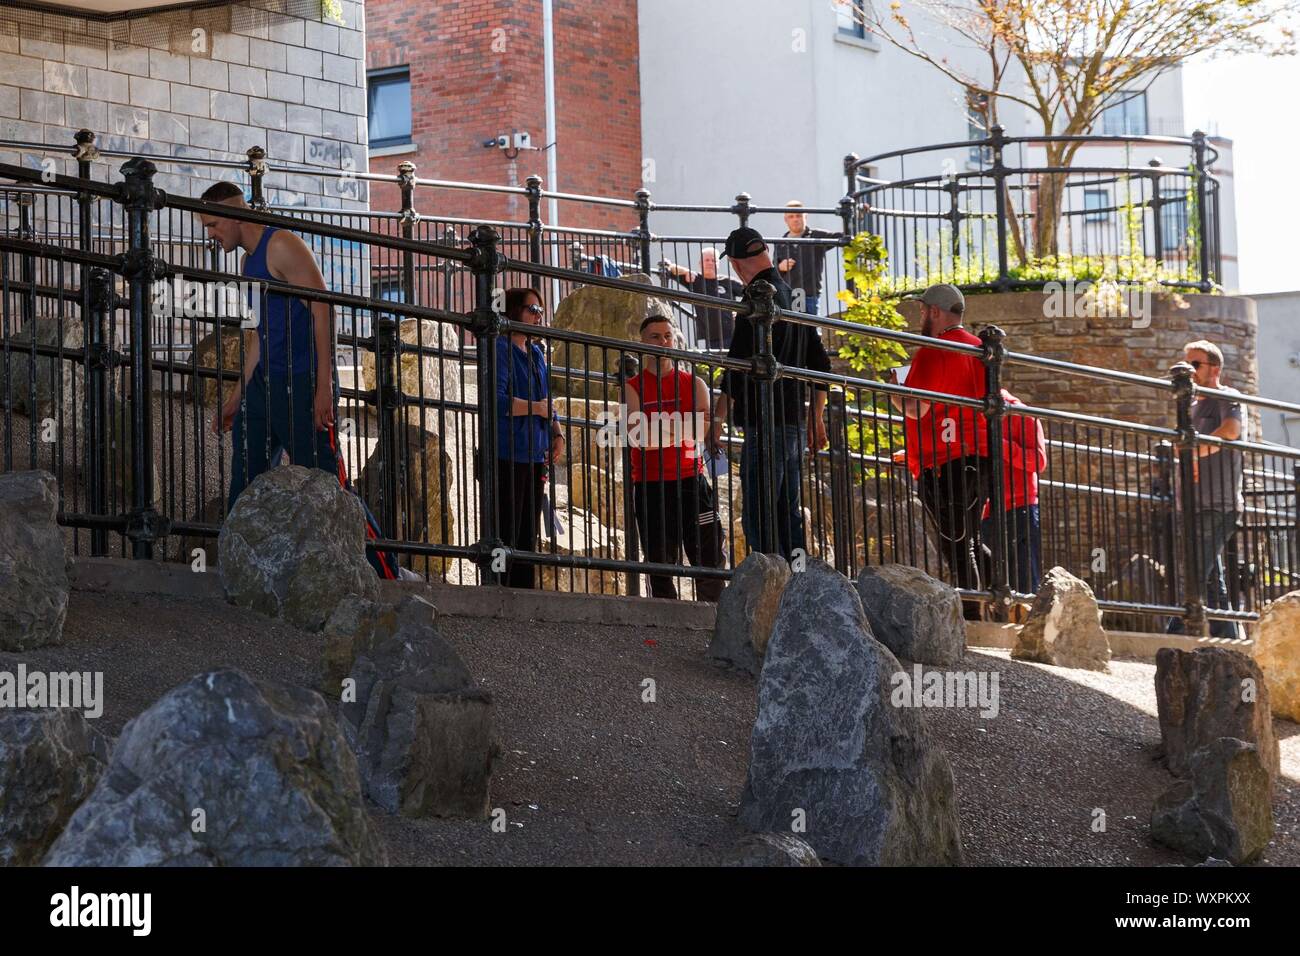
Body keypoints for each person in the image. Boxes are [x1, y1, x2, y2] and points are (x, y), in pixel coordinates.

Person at [202, 180, 398, 580]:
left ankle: (386, 573)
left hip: (302, 382)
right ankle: (244, 576)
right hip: (265, 387)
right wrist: (238, 395)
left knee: (329, 486)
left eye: (213, 225)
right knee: (246, 481)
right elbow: (262, 332)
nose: (210, 234)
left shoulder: (281, 245)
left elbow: (322, 305)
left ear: (233, 215)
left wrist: (323, 384)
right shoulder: (246, 262)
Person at [707, 227, 832, 560]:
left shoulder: (755, 300)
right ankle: (799, 581)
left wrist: (716, 421)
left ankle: (772, 586)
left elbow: (736, 368)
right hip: (792, 425)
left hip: (764, 424)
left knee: (759, 514)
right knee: (788, 513)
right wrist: (815, 417)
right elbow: (821, 364)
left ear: (734, 262)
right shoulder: (792, 295)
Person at [890, 283, 991, 606]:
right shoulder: (980, 349)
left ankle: (971, 615)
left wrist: (894, 389)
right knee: (970, 539)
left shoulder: (933, 349)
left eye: (922, 310)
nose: (920, 316)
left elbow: (915, 408)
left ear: (935, 311)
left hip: (943, 461)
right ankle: (996, 599)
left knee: (956, 543)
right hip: (980, 455)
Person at [623, 315, 725, 601]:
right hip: (650, 483)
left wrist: (657, 427)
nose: (663, 342)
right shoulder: (632, 386)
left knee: (708, 555)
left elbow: (701, 428)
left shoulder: (695, 383)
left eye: (667, 335)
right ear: (642, 342)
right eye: (655, 336)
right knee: (659, 561)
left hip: (691, 479)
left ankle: (713, 617)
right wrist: (683, 425)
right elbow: (638, 437)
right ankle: (666, 623)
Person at [1167, 340, 1244, 639]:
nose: (1189, 371)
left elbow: (1231, 430)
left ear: (1215, 368)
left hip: (1218, 503)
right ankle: (1231, 638)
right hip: (1190, 503)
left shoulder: (1226, 396)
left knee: (1198, 572)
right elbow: (1179, 448)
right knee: (1211, 578)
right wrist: (1188, 450)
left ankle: (1172, 634)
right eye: (1186, 365)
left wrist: (1193, 451)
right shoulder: (1191, 405)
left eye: (1195, 365)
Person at [495, 287, 565, 589]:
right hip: (509, 451)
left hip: (535, 452)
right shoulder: (500, 348)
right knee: (507, 528)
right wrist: (536, 409)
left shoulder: (536, 352)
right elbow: (498, 401)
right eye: (531, 310)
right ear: (513, 312)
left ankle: (523, 594)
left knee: (527, 532)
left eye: (540, 310)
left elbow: (545, 397)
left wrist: (557, 430)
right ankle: (501, 589)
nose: (538, 317)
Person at [979, 388, 1046, 597]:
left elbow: (1038, 461)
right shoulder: (971, 412)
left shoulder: (1020, 413)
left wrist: (1001, 445)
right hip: (986, 511)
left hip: (1019, 509)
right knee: (993, 585)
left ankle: (1025, 625)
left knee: (1024, 583)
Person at [661, 247, 745, 349]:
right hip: (711, 337)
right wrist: (686, 271)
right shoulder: (696, 280)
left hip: (732, 333)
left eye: (714, 260)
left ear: (718, 264)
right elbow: (671, 268)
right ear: (700, 263)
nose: (710, 263)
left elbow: (749, 292)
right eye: (707, 260)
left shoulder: (728, 281)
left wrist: (740, 312)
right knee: (715, 364)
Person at [772, 200, 843, 317]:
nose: (795, 219)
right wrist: (780, 267)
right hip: (789, 295)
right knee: (793, 332)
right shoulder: (781, 242)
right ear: (786, 220)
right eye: (791, 216)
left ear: (805, 217)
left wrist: (858, 216)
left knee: (811, 330)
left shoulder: (816, 236)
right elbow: (774, 269)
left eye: (799, 215)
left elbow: (843, 237)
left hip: (810, 295)